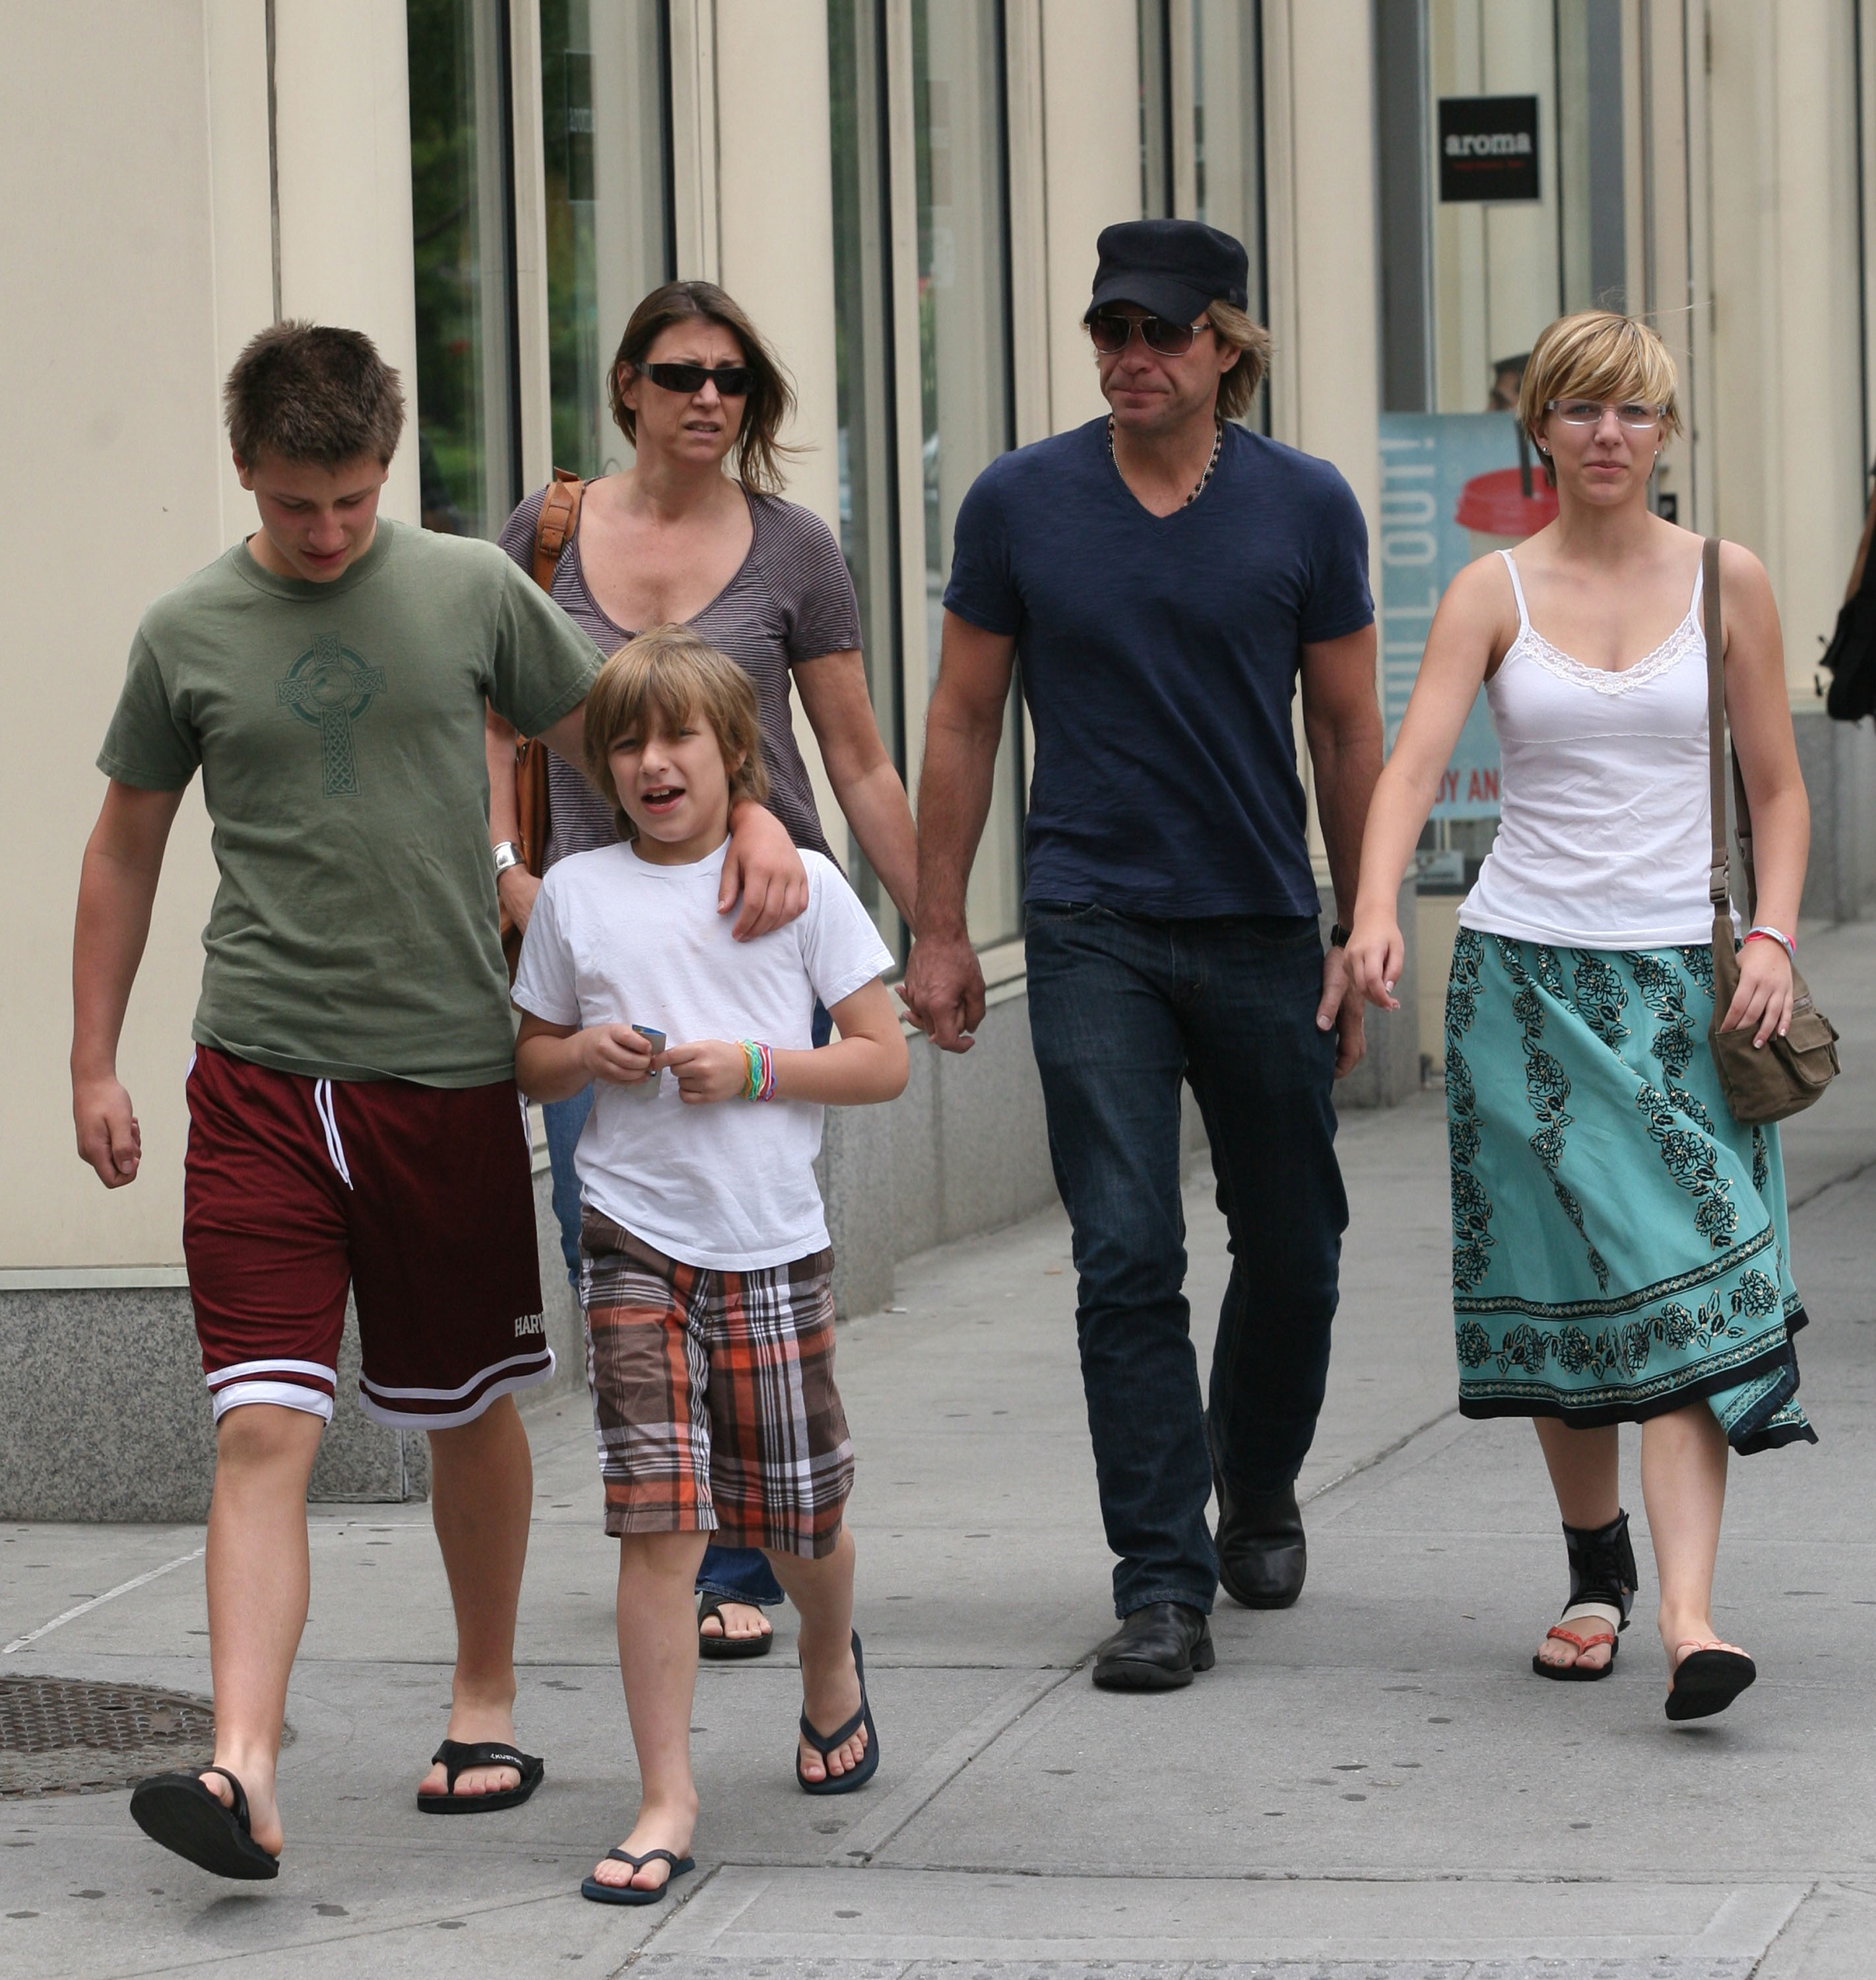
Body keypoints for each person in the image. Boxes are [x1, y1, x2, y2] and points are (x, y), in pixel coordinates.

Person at [71, 323, 806, 1882]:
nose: (324, 532)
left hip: (448, 1070)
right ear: (244, 474)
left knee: (468, 1405)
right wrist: (91, 1059)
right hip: (261, 1072)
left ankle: (484, 1702)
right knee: (263, 1426)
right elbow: (125, 845)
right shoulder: (187, 628)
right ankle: (241, 1769)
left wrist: (747, 814)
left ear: (384, 468)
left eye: (348, 499)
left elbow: (628, 726)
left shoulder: (470, 591)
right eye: (292, 506)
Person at [901, 219, 1383, 1690]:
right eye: (1111, 330)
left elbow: (1350, 728)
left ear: (1226, 346)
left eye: (1163, 333)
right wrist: (935, 923)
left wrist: (1362, 921)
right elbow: (965, 719)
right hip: (1092, 916)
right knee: (1126, 1251)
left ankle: (1261, 1481)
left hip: (1255, 918)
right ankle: (1161, 1582)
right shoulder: (1020, 502)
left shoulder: (1305, 507)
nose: (1131, 357)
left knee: (1296, 1247)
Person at [1347, 310, 1814, 1722]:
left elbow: (1778, 791)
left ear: (1666, 433)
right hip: (1523, 982)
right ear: (1539, 428)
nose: (1608, 434)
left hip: (1682, 986)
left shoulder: (1727, 582)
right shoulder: (1492, 590)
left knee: (1682, 1280)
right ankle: (1593, 1564)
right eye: (1581, 409)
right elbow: (1413, 763)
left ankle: (1688, 1619)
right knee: (1563, 1293)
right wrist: (1373, 909)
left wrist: (1776, 937)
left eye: (1635, 411)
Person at [490, 279, 918, 1659]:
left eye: (733, 378)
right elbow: (486, 729)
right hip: (596, 938)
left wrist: (938, 924)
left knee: (743, 1235)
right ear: (626, 387)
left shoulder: (794, 549)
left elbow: (848, 755)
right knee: (602, 1228)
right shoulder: (547, 534)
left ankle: (736, 1554)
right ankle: (684, 1514)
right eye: (678, 374)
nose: (708, 399)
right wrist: (505, 870)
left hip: (755, 933)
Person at [512, 626, 906, 1901]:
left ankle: (829, 1665)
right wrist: (587, 1058)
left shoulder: (795, 884)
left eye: (679, 736)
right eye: (625, 742)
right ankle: (664, 1795)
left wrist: (753, 1068)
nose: (651, 762)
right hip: (631, 1238)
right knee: (659, 1525)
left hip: (770, 1244)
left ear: (736, 752)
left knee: (804, 1521)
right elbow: (531, 1055)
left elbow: (880, 1057)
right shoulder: (577, 892)